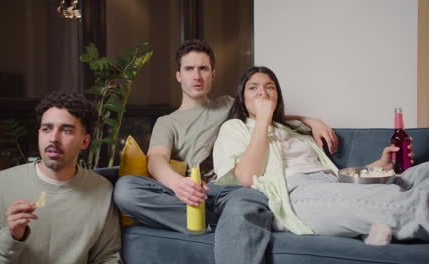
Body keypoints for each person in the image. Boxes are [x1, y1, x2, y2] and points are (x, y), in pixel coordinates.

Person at [114, 40, 339, 263]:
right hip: (193, 195)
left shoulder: (228, 105)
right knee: (125, 189)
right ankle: (228, 223)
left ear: (213, 74)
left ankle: (232, 220)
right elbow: (156, 160)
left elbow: (266, 113)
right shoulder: (167, 122)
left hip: (234, 192)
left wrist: (310, 120)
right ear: (178, 76)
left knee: (244, 203)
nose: (197, 76)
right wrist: (177, 184)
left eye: (203, 68)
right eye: (189, 69)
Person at [213, 66, 429, 245]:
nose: (263, 92)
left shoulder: (289, 129)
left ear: (277, 96)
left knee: (423, 173)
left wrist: (378, 166)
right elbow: (246, 177)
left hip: (334, 183)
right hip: (296, 194)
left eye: (270, 87)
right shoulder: (235, 128)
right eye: (253, 88)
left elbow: (334, 178)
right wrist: (262, 120)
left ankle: (373, 227)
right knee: (402, 202)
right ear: (242, 97)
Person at [0, 91, 123, 263]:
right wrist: (10, 237)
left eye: (66, 130)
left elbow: (108, 258)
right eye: (46, 129)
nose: (54, 138)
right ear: (39, 134)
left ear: (84, 141)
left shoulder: (102, 190)